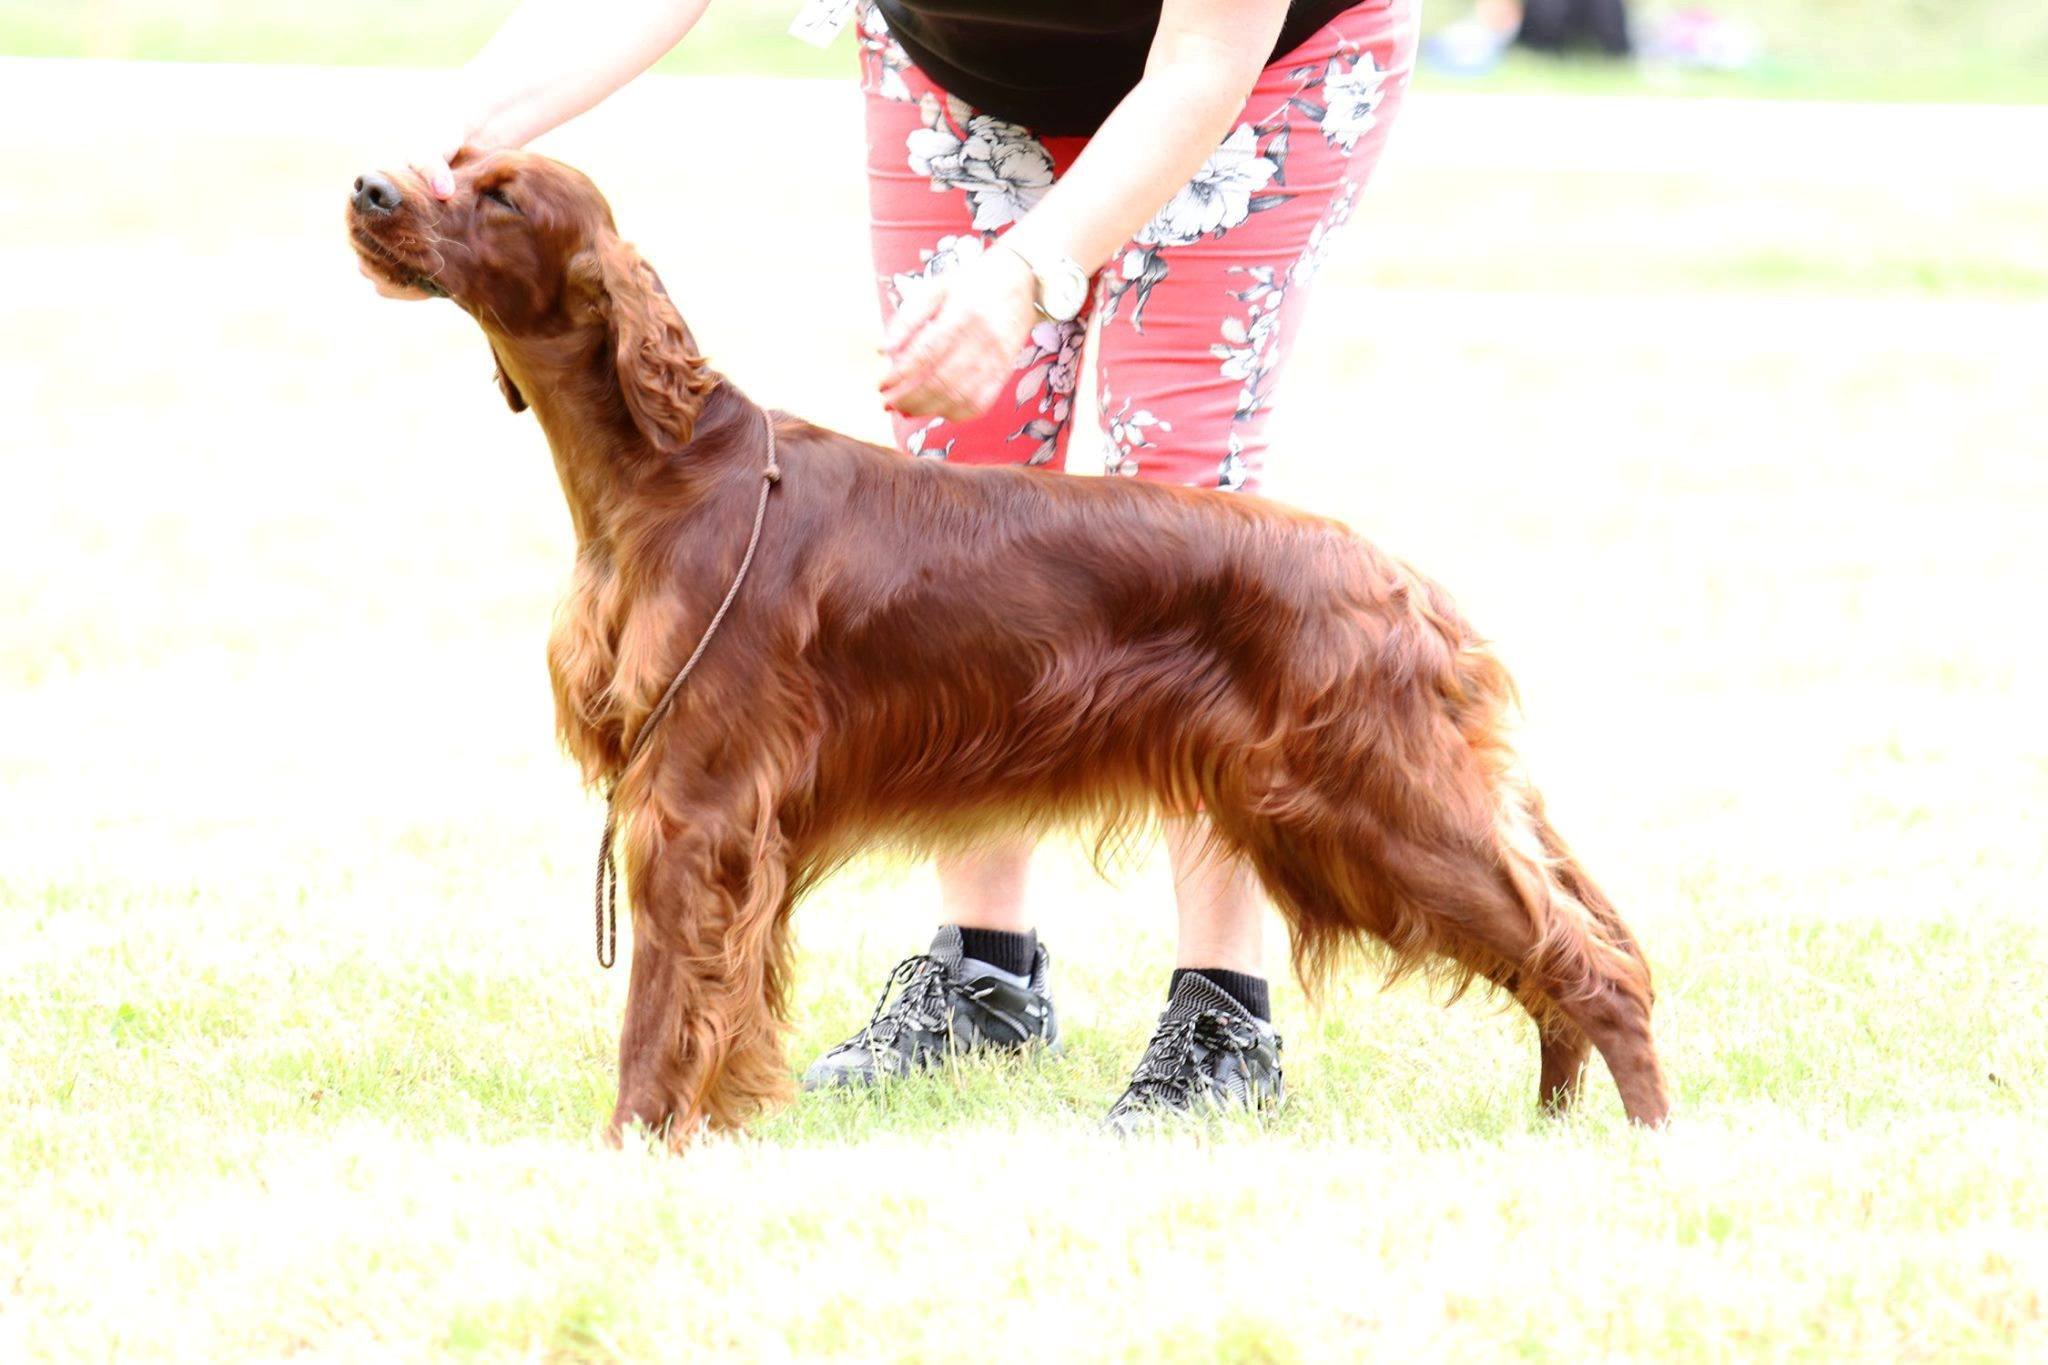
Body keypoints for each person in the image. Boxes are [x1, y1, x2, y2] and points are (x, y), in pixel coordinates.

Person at [369, 0, 1418, 1129]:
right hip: (963, 72)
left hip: (1248, 72)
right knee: (951, 487)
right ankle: (983, 974)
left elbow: (1203, 59)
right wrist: (446, 130)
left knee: (1187, 500)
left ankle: (1222, 1006)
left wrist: (1025, 275)